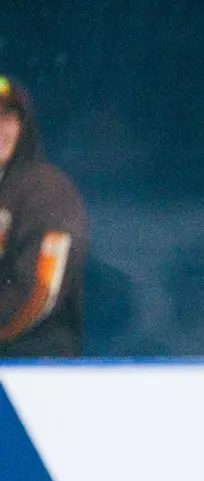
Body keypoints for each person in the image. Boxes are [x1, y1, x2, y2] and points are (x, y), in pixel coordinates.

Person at [0, 76, 89, 358]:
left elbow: (39, 292)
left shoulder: (47, 191)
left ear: (23, 127)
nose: (0, 128)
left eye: (9, 117)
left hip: (35, 373)